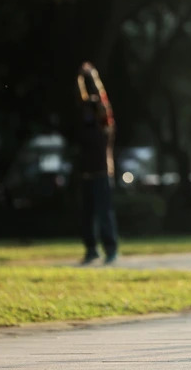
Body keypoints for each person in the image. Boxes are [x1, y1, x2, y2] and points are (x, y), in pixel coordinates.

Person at [76, 61, 119, 265]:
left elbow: (103, 101)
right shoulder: (85, 126)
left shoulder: (105, 126)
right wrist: (79, 79)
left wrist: (93, 76)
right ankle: (91, 250)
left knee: (104, 214)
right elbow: (80, 98)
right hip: (87, 173)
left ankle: (110, 249)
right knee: (87, 216)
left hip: (102, 172)